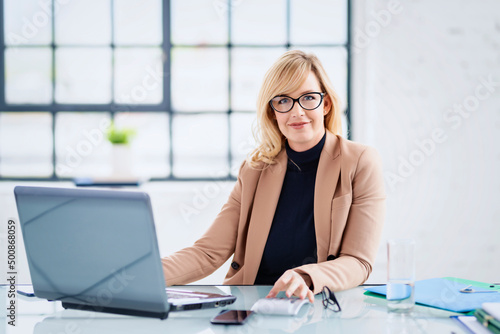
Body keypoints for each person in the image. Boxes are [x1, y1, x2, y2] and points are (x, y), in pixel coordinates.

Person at [162, 50, 385, 303]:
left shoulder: (360, 161)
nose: (297, 112)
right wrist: (140, 274)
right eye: (283, 101)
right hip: (251, 305)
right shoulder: (255, 169)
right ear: (273, 112)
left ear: (326, 104)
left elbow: (358, 261)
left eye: (308, 98)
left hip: (316, 305)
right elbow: (208, 253)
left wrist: (307, 277)